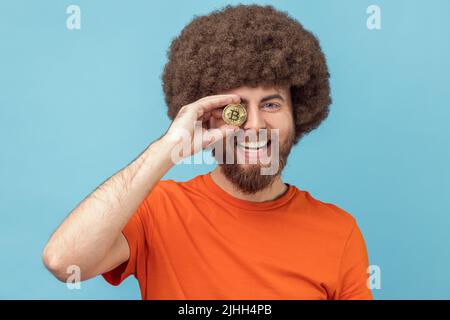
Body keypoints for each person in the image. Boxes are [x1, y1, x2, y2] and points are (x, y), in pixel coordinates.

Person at [43, 4, 372, 300]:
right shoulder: (158, 210)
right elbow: (64, 261)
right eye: (235, 107)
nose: (255, 125)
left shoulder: (339, 232)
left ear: (297, 112)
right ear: (205, 113)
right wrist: (170, 146)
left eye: (271, 104)